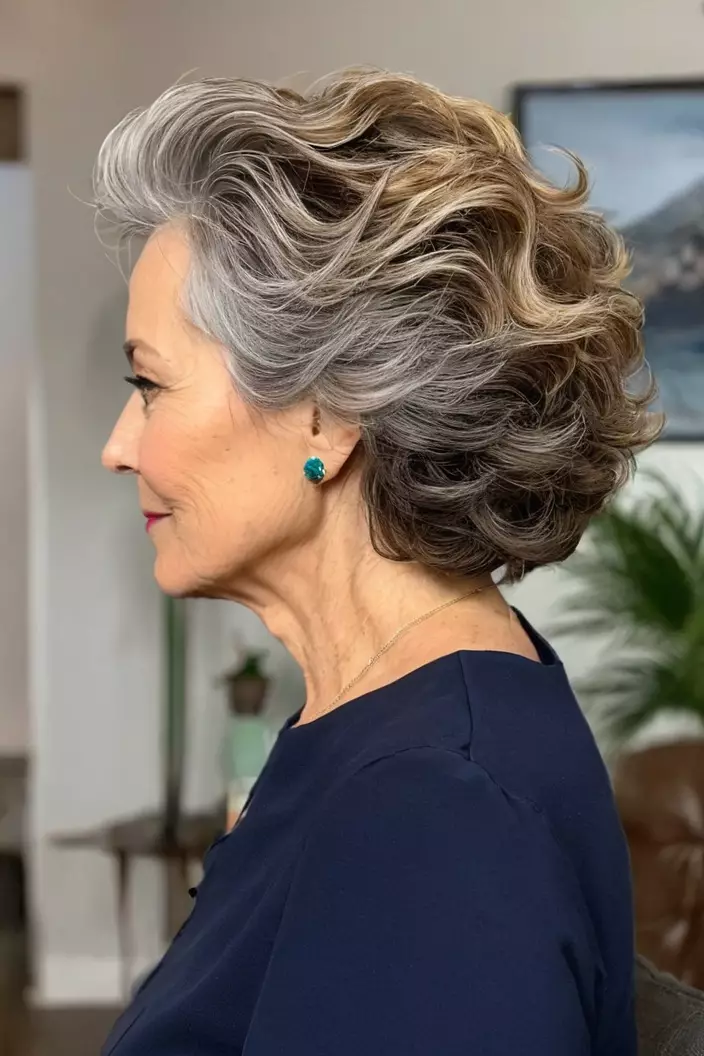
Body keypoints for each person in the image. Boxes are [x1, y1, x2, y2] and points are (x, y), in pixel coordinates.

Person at [97, 69, 659, 1055]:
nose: (118, 446)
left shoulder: (436, 810)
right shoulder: (386, 722)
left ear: (325, 414)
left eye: (150, 384)